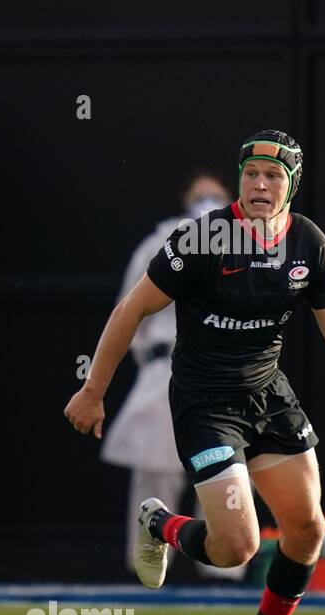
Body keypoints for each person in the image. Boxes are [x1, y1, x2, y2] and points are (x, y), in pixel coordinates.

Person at [65, 130, 325, 615]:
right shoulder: (202, 240)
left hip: (268, 394)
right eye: (251, 175)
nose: (260, 185)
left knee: (308, 529)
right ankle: (161, 525)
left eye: (274, 177)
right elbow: (131, 310)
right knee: (234, 548)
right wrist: (93, 390)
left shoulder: (308, 243)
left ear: (292, 187)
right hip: (205, 402)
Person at [100, 170, 236, 581]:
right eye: (200, 195)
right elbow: (130, 310)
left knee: (225, 467)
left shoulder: (248, 241)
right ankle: (144, 569)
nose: (207, 200)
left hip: (224, 366)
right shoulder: (159, 242)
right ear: (185, 199)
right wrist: (154, 358)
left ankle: (223, 572)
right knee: (156, 471)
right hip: (167, 367)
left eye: (215, 194)